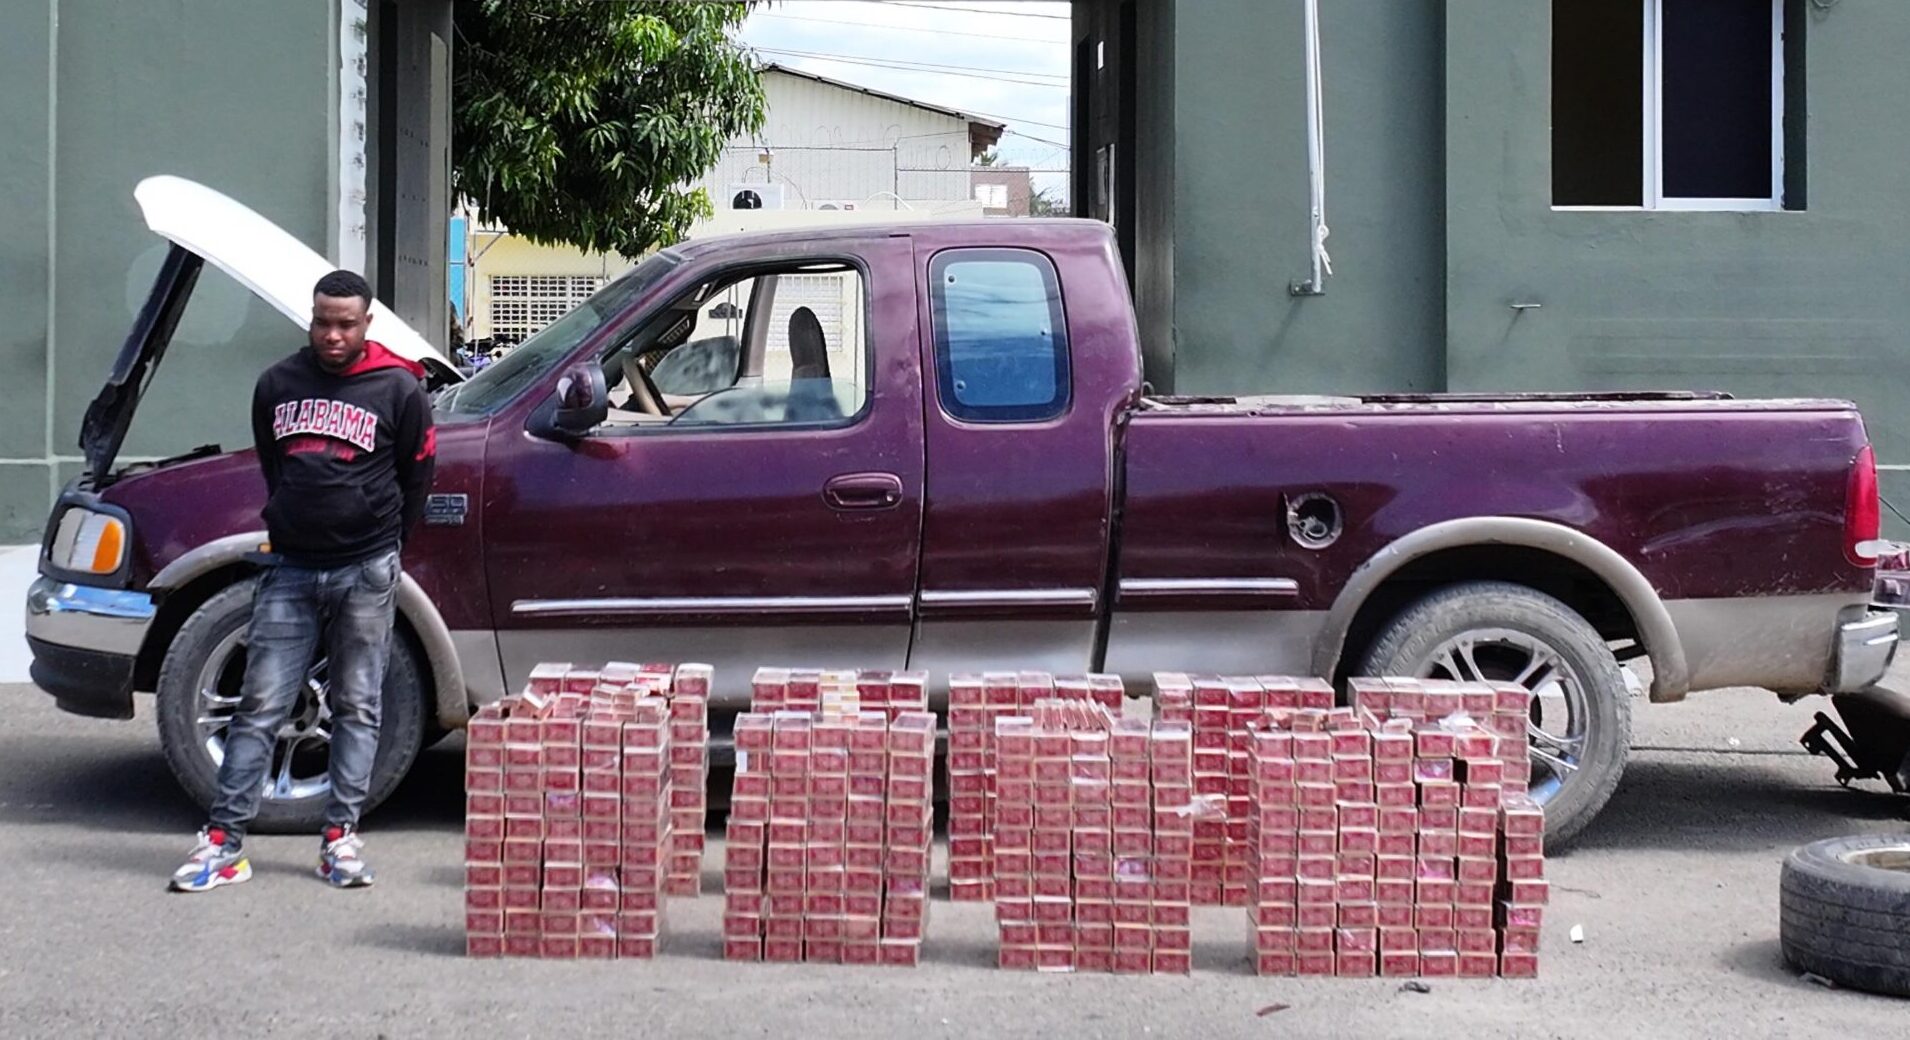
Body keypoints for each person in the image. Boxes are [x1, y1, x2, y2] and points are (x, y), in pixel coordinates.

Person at [171, 270, 436, 892]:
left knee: (358, 705)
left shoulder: (399, 388)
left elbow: (418, 475)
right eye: (322, 322)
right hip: (289, 568)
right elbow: (275, 466)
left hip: (365, 570)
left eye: (346, 324)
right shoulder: (277, 384)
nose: (333, 335)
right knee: (260, 704)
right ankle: (223, 845)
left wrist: (385, 543)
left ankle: (340, 839)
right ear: (310, 320)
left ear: (367, 323)